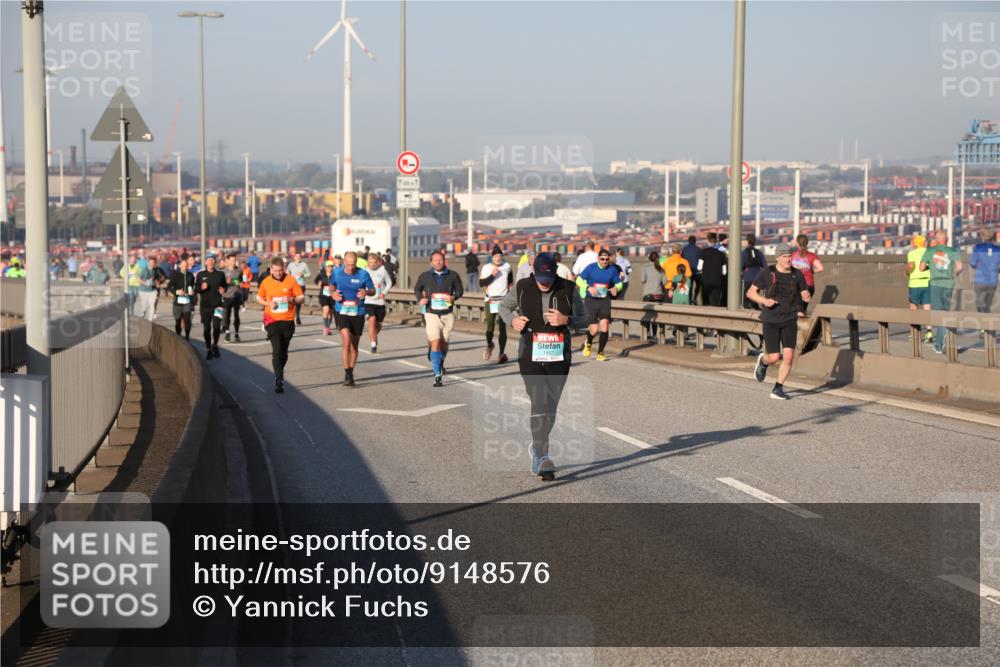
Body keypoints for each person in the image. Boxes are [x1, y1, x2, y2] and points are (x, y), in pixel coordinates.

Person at [499, 252, 583, 481]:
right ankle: (541, 454)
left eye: (548, 278)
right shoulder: (523, 286)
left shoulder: (569, 288)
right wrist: (513, 321)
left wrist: (567, 321)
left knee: (551, 406)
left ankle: (538, 447)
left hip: (560, 356)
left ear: (555, 272)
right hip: (530, 354)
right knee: (539, 401)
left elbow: (586, 320)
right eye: (540, 277)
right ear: (533, 271)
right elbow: (503, 308)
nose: (544, 283)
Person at [749, 243, 811, 400]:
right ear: (778, 258)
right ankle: (763, 361)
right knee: (774, 357)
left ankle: (778, 388)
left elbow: (804, 291)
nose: (788, 259)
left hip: (789, 318)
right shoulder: (767, 273)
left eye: (790, 256)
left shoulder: (797, 274)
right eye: (785, 257)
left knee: (789, 356)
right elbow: (751, 293)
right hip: (771, 319)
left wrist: (805, 295)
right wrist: (764, 300)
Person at [414, 251, 464, 387]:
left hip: (447, 314)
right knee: (436, 341)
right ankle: (437, 375)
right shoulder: (425, 276)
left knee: (444, 343)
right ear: (431, 262)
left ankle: (439, 361)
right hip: (431, 313)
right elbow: (417, 289)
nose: (438, 262)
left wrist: (453, 297)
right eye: (436, 260)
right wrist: (421, 299)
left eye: (441, 260)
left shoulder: (453, 275)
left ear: (444, 261)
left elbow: (460, 290)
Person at [257, 256, 305, 393]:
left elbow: (301, 298)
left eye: (280, 270)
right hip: (272, 320)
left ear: (284, 269)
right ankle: (278, 379)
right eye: (276, 271)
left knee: (283, 351)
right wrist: (268, 303)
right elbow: (259, 298)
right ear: (271, 269)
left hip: (288, 320)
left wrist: (291, 299)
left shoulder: (291, 281)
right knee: (277, 349)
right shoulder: (266, 282)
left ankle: (280, 370)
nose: (278, 273)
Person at [331, 251, 375, 387]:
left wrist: (366, 292)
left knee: (354, 346)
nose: (351, 268)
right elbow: (331, 285)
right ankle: (348, 374)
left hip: (358, 312)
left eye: (353, 265)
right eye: (348, 265)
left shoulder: (363, 274)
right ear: (344, 262)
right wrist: (333, 293)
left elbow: (373, 290)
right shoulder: (337, 272)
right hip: (341, 311)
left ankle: (351, 369)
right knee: (346, 340)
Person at [920, 229, 964, 355]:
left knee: (939, 314)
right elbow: (960, 266)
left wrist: (930, 267)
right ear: (947, 240)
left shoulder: (930, 251)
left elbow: (921, 267)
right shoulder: (952, 251)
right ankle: (942, 342)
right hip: (948, 283)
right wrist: (954, 273)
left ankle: (939, 344)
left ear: (936, 240)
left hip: (935, 284)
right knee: (945, 312)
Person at [576, 248, 622, 361]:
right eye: (602, 259)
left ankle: (600, 353)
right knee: (594, 329)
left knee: (605, 326)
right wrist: (588, 287)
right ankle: (589, 342)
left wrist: (616, 288)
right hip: (591, 301)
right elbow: (578, 280)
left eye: (607, 259)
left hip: (604, 300)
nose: (605, 261)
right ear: (598, 259)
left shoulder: (612, 270)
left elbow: (619, 283)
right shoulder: (591, 268)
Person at [479, 245, 512, 363]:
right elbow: (481, 283)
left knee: (503, 328)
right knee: (490, 327)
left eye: (500, 255)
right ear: (492, 257)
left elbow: (510, 279)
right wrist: (492, 275)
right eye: (496, 255)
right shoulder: (486, 267)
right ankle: (489, 345)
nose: (498, 258)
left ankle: (501, 354)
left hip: (503, 301)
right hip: (490, 300)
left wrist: (510, 288)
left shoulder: (507, 266)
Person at [195, 254, 227, 360]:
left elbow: (224, 285)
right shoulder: (200, 275)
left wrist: (223, 290)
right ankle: (208, 349)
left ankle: (215, 345)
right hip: (205, 306)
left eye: (212, 260)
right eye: (208, 260)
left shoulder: (220, 274)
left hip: (218, 305)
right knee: (207, 329)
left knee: (217, 327)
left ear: (215, 262)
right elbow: (196, 289)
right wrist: (201, 288)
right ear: (205, 262)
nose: (210, 262)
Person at [906, 235, 933, 342]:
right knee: (927, 307)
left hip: (915, 283)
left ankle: (914, 333)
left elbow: (911, 266)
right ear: (925, 243)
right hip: (927, 282)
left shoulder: (911, 253)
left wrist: (906, 272)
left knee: (913, 308)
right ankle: (929, 332)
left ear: (915, 243)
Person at [969, 228, 1000, 325]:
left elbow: (973, 263)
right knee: (988, 304)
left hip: (980, 280)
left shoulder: (977, 248)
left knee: (980, 304)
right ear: (992, 238)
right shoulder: (998, 249)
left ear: (983, 237)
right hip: (993, 280)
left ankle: (983, 325)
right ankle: (987, 324)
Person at [365, 252, 392, 353]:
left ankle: (373, 336)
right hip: (368, 301)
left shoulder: (383, 271)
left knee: (378, 325)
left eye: (374, 262)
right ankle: (373, 344)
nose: (372, 264)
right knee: (372, 319)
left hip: (380, 302)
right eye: (370, 262)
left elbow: (389, 283)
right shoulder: (364, 272)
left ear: (378, 262)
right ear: (368, 262)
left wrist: (384, 293)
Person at [167, 256, 195, 340]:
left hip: (187, 300)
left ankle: (187, 337)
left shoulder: (190, 275)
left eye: (186, 266)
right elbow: (169, 287)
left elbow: (192, 285)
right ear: (180, 266)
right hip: (177, 301)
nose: (185, 267)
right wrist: (177, 292)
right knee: (178, 320)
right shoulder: (175, 275)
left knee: (187, 319)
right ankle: (178, 336)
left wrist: (192, 291)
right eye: (183, 266)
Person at [790, 233, 824, 302]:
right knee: (803, 309)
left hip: (797, 286)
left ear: (797, 243)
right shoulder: (812, 256)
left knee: (797, 309)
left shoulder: (792, 255)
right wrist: (811, 271)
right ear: (807, 242)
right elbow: (821, 268)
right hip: (809, 285)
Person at [640, 251, 666, 339]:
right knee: (656, 315)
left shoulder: (645, 267)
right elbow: (664, 282)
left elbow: (643, 280)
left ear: (649, 258)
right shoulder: (661, 269)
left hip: (648, 294)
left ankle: (647, 333)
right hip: (659, 295)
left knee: (648, 315)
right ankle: (655, 334)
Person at [697, 232, 726, 306]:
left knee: (706, 303)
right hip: (717, 281)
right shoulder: (721, 254)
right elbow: (724, 272)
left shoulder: (703, 252)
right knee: (715, 303)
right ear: (716, 241)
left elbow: (699, 267)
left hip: (705, 281)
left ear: (708, 241)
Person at [741, 234, 768, 309]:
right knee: (755, 294)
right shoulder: (759, 253)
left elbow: (741, 265)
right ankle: (756, 308)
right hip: (757, 276)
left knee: (747, 295)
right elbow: (765, 266)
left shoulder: (744, 253)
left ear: (747, 242)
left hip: (748, 276)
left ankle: (747, 309)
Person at [221, 254, 243, 343]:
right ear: (228, 261)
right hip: (227, 296)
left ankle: (237, 334)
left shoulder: (239, 270)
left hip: (237, 295)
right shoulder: (223, 272)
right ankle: (227, 333)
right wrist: (226, 282)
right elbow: (220, 284)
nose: (234, 262)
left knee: (236, 315)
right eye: (232, 260)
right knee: (227, 315)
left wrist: (240, 283)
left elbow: (241, 280)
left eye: (235, 260)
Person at [286, 252, 311, 325]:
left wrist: (303, 274)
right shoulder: (290, 265)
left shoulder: (304, 265)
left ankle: (298, 316)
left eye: (299, 257)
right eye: (296, 256)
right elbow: (287, 273)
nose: (298, 258)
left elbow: (309, 274)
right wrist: (290, 277)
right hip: (292, 286)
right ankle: (291, 316)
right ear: (294, 257)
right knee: (292, 301)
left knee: (298, 302)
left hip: (301, 285)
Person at [315, 260, 337, 335]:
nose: (330, 267)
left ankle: (328, 327)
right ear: (325, 267)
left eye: (331, 266)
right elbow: (315, 280)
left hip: (332, 296)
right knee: (326, 310)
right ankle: (325, 327)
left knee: (330, 313)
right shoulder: (321, 274)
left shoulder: (335, 275)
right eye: (328, 266)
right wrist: (319, 283)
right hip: (323, 296)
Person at [134, 256, 158, 322]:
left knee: (152, 306)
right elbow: (137, 278)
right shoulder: (144, 269)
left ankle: (150, 321)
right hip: (143, 291)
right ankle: (142, 317)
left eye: (153, 263)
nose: (152, 264)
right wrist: (145, 283)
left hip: (152, 291)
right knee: (144, 308)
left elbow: (153, 279)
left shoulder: (153, 270)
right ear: (148, 263)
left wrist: (155, 282)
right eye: (151, 262)